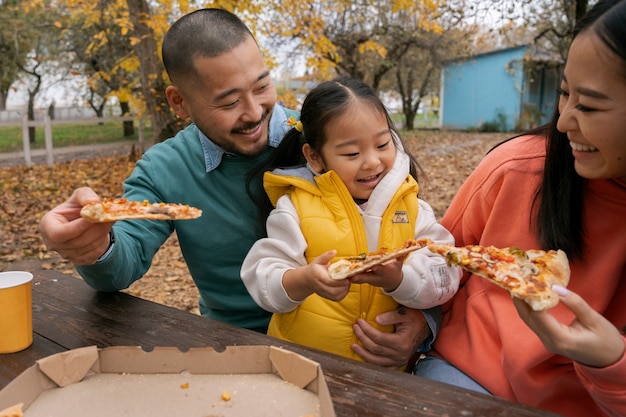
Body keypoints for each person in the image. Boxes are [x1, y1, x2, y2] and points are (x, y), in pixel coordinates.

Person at [38, 8, 431, 368]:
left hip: (347, 348)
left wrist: (423, 323)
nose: (255, 112)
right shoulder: (164, 169)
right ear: (179, 103)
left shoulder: (330, 139)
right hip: (235, 346)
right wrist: (93, 246)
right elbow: (120, 264)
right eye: (228, 103)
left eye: (261, 87)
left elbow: (415, 233)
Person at [414, 0, 626, 415]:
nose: (563, 121)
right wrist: (420, 323)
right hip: (467, 376)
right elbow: (438, 263)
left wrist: (611, 363)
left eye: (590, 105)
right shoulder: (517, 168)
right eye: (564, 93)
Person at [241, 77, 460, 366]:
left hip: (384, 374)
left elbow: (446, 272)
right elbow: (262, 276)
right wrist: (305, 279)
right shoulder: (296, 207)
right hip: (302, 365)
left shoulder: (411, 207)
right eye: (352, 154)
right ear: (315, 158)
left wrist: (400, 279)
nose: (371, 162)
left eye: (382, 144)